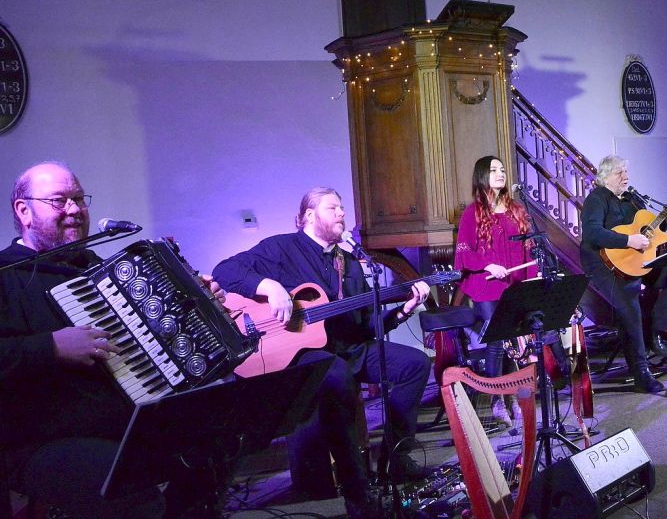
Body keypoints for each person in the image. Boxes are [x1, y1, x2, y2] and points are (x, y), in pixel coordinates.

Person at [0, 162, 227, 518]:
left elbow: (155, 334)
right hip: (41, 439)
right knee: (134, 492)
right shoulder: (5, 276)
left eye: (79, 199)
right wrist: (51, 347)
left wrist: (199, 304)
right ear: (24, 211)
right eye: (59, 200)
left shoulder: (98, 267)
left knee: (219, 444)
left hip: (129, 422)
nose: (74, 209)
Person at [211, 187, 432, 512]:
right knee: (336, 376)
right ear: (309, 216)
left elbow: (366, 325)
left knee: (416, 364)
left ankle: (395, 456)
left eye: (342, 208)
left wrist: (403, 310)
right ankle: (357, 490)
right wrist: (270, 287)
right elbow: (225, 270)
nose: (342, 213)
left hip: (350, 348)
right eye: (333, 208)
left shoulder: (350, 264)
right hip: (303, 353)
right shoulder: (282, 248)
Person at [454, 156, 538, 426]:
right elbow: (463, 252)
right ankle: (496, 398)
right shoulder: (473, 212)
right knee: (497, 337)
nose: (500, 173)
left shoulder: (517, 210)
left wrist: (531, 281)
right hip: (487, 284)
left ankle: (512, 396)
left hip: (515, 284)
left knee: (514, 341)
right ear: (482, 176)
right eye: (493, 170)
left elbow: (529, 249)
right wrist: (487, 264)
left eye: (502, 169)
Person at [580, 155, 667, 394]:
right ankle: (641, 374)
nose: (625, 177)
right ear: (605, 177)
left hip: (632, 262)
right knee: (630, 309)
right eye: (619, 173)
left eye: (626, 172)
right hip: (603, 266)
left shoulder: (632, 199)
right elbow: (592, 233)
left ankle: (654, 332)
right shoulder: (597, 199)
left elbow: (650, 230)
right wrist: (628, 240)